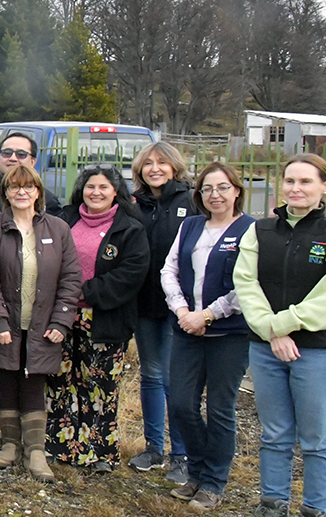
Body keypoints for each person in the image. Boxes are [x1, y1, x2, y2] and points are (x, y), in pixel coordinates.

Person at [234, 154, 326, 517]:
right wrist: (271, 331)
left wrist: (283, 325)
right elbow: (246, 284)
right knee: (274, 433)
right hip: (266, 349)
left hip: (319, 352)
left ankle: (317, 508)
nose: (296, 189)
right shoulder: (259, 231)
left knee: (317, 439)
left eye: (306, 182)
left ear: (324, 186)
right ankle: (273, 503)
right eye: (290, 181)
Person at [0, 164, 80, 483]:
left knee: (33, 384)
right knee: (5, 381)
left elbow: (71, 278)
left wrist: (62, 320)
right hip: (5, 324)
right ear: (5, 193)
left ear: (38, 193)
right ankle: (9, 445)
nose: (21, 192)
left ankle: (36, 451)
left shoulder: (57, 229)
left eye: (28, 187)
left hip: (43, 324)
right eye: (14, 187)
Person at [160, 162, 254, 511]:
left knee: (220, 409)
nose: (215, 195)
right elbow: (169, 270)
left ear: (237, 191)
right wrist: (184, 312)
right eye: (208, 189)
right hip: (186, 330)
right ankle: (196, 471)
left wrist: (209, 314)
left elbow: (248, 286)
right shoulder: (190, 226)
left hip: (228, 335)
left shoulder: (250, 231)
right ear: (199, 194)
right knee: (182, 404)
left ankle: (214, 481)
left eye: (223, 187)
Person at [0, 132, 63, 449]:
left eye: (22, 154)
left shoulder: (52, 204)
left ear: (33, 161)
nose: (13, 158)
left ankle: (26, 438)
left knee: (26, 370)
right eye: (7, 152)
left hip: (34, 303)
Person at [47, 163, 149, 472]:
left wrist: (85, 290)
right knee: (61, 381)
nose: (96, 192)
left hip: (104, 318)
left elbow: (131, 274)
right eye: (91, 186)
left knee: (99, 387)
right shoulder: (66, 219)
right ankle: (58, 446)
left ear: (115, 191)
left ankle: (99, 453)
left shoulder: (129, 228)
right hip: (64, 315)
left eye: (104, 187)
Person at [130, 142, 197, 482]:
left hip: (179, 306)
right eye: (148, 163)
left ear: (174, 167)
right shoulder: (135, 205)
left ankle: (182, 454)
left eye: (162, 163)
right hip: (144, 304)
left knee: (175, 381)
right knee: (151, 376)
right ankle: (154, 447)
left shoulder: (190, 202)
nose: (155, 168)